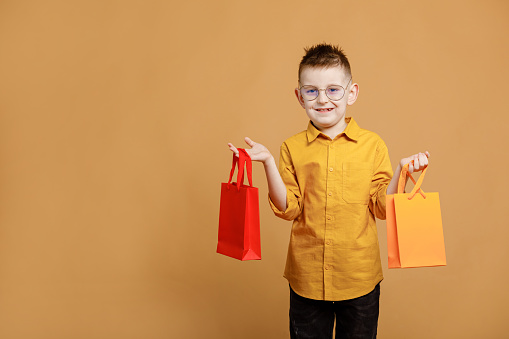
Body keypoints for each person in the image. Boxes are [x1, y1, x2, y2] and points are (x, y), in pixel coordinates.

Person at [228, 43, 429, 339]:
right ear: (299, 96)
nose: (323, 99)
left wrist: (402, 172)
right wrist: (268, 162)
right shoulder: (291, 148)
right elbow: (289, 209)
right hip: (306, 281)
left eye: (333, 90)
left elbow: (382, 208)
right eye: (312, 91)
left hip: (360, 280)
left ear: (352, 93)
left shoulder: (373, 146)